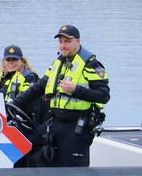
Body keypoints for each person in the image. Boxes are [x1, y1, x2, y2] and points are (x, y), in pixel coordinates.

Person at [10, 24, 109, 168]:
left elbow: (103, 96)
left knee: (73, 170)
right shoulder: (58, 63)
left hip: (77, 128)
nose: (63, 45)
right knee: (23, 147)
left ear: (78, 41)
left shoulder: (91, 65)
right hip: (54, 123)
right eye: (61, 41)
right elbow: (38, 88)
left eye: (67, 41)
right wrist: (12, 104)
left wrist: (75, 90)